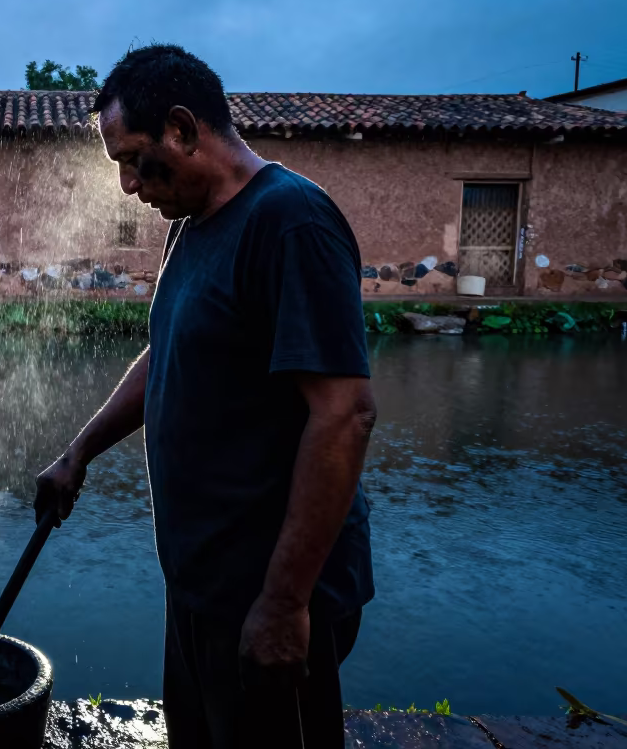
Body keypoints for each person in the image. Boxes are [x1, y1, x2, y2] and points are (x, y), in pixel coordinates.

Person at [34, 44, 376, 749]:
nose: (129, 186)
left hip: (267, 595)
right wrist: (80, 451)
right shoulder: (190, 225)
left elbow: (344, 415)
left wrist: (283, 606)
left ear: (184, 130)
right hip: (201, 584)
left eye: (135, 160)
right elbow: (169, 353)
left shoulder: (290, 222)